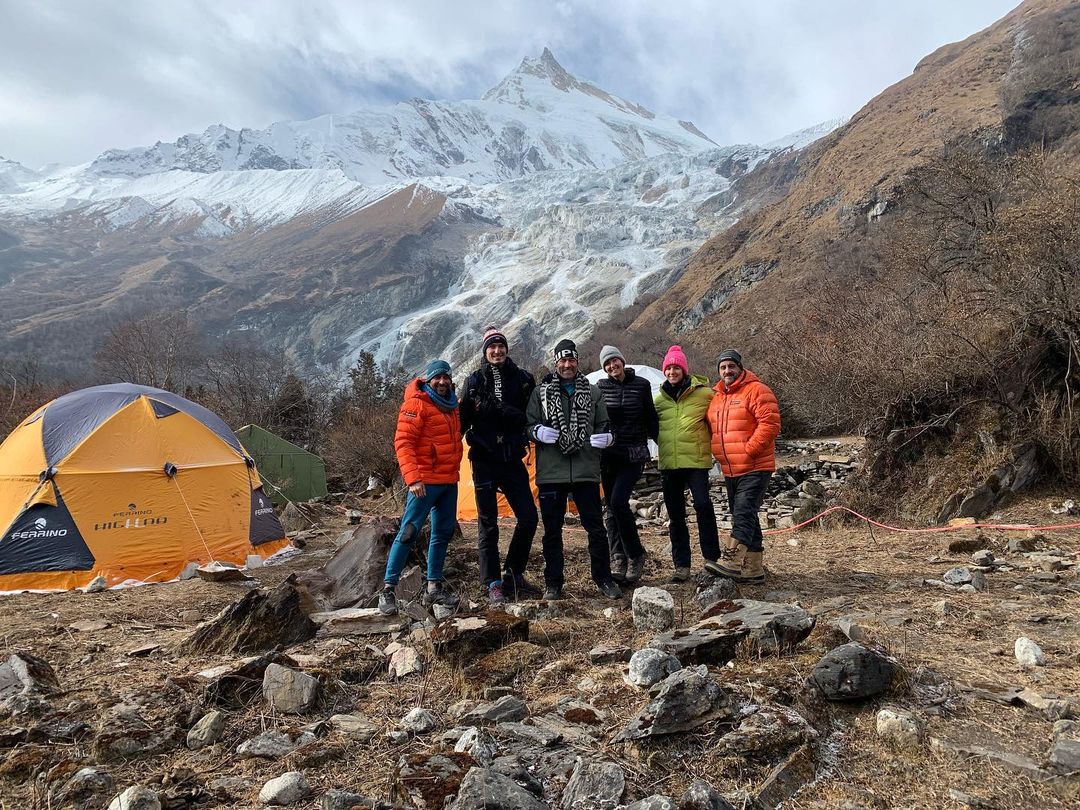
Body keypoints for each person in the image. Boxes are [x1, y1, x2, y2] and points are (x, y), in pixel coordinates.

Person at [526, 338, 622, 600]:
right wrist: (536, 432)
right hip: (551, 472)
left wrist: (608, 438)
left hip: (585, 470)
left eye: (571, 360)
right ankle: (553, 583)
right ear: (556, 362)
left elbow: (605, 425)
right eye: (562, 360)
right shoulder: (540, 394)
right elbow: (528, 425)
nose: (567, 365)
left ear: (577, 362)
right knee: (552, 531)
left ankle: (603, 578)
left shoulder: (592, 392)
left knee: (596, 527)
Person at [459, 325, 540, 603]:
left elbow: (532, 416)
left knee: (529, 517)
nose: (497, 350)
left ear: (506, 348)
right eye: (492, 347)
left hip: (511, 458)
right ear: (485, 351)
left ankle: (513, 574)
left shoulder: (523, 379)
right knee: (488, 523)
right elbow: (461, 422)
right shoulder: (473, 382)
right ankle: (492, 582)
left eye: (500, 346)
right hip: (483, 459)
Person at [378, 359, 464, 615]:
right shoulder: (416, 403)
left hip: (449, 481)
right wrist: (413, 478)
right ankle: (388, 590)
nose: (441, 382)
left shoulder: (452, 405)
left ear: (450, 380)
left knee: (442, 533)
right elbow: (403, 442)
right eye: (436, 378)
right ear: (428, 380)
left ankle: (433, 588)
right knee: (408, 533)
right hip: (424, 483)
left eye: (445, 377)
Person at [705, 349, 780, 584]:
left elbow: (770, 423)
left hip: (755, 465)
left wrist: (750, 450)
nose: (727, 370)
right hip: (730, 468)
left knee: (743, 512)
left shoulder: (757, 390)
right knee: (746, 514)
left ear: (740, 367)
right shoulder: (716, 397)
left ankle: (732, 561)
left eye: (731, 366)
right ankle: (753, 569)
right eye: (723, 367)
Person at [654, 345, 720, 582]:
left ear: (684, 369)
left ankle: (712, 559)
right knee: (675, 515)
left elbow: (719, 420)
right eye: (669, 367)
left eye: (676, 367)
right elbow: (652, 428)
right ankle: (681, 565)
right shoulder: (658, 399)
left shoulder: (704, 394)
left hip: (696, 461)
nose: (672, 371)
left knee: (703, 506)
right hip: (670, 464)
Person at [596, 345, 658, 584]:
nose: (613, 366)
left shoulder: (641, 385)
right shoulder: (600, 388)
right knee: (611, 508)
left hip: (634, 453)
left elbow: (651, 417)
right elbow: (598, 420)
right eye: (607, 364)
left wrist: (661, 444)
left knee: (618, 501)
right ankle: (618, 557)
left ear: (622, 360)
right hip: (609, 455)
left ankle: (635, 554)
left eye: (615, 361)